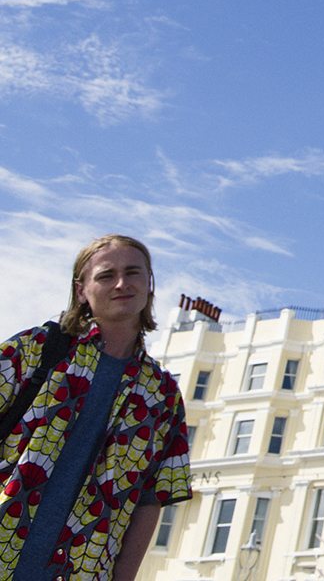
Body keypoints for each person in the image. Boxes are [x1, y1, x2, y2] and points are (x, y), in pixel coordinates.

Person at [0, 236, 192, 580]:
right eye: (106, 275)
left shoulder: (162, 394)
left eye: (133, 272)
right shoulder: (36, 349)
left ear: (149, 284)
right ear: (81, 290)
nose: (121, 283)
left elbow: (151, 498)